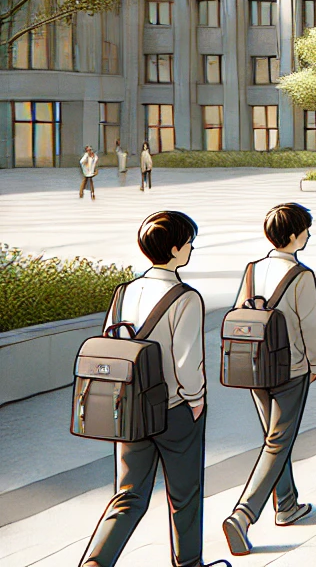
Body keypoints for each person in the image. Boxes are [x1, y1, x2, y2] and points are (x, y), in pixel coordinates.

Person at [79, 211, 217, 567]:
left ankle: (96, 561)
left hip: (128, 409)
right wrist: (196, 400)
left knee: (128, 495)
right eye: (188, 242)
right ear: (175, 249)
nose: (190, 248)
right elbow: (187, 361)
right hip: (173, 410)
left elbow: (114, 342)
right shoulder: (185, 298)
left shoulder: (124, 292)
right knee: (184, 494)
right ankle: (189, 562)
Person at [221, 204, 316, 555]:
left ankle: (286, 504)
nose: (308, 235)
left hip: (253, 368)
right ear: (294, 235)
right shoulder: (301, 276)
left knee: (274, 437)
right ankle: (243, 514)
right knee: (278, 442)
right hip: (290, 369)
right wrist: (315, 360)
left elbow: (239, 314)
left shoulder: (252, 270)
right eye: (306, 230)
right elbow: (310, 325)